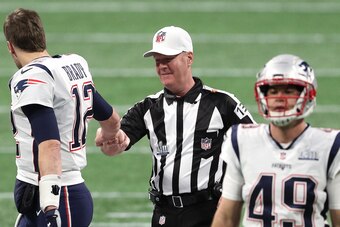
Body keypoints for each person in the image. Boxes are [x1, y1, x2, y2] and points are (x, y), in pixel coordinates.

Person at [95, 25, 255, 227]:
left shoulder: (223, 103)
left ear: (189, 58)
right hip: (164, 213)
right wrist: (110, 139)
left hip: (209, 211)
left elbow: (257, 144)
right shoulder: (148, 107)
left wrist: (235, 190)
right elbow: (118, 140)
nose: (161, 66)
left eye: (168, 59)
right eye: (157, 61)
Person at [3, 8, 128, 227]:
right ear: (42, 37)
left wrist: (51, 209)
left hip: (59, 198)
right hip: (38, 198)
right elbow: (111, 118)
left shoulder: (32, 77)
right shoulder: (71, 66)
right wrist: (111, 134)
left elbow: (50, 144)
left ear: (10, 46)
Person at [211, 54, 340, 227]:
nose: (279, 97)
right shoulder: (241, 140)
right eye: (273, 91)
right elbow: (226, 217)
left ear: (308, 95)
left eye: (288, 91)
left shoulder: (330, 145)